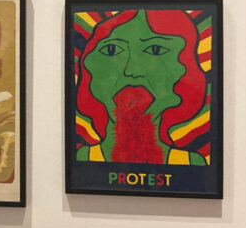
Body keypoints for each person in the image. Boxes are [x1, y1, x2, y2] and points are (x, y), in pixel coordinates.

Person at [74, 9, 209, 165]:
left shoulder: (191, 164)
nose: (132, 71)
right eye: (111, 50)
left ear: (184, 71)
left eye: (155, 50)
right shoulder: (83, 158)